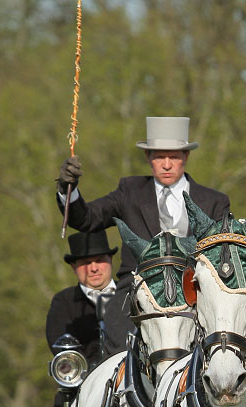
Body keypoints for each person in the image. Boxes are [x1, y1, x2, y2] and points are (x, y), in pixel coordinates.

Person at [56, 116, 230, 356]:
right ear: (148, 158)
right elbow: (86, 219)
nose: (167, 164)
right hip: (134, 296)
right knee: (116, 355)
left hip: (195, 296)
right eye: (159, 156)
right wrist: (69, 190)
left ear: (186, 157)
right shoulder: (129, 192)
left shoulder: (214, 202)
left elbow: (221, 260)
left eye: (174, 157)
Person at [46, 230, 118, 369]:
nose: (93, 268)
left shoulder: (132, 293)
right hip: (85, 381)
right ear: (74, 267)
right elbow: (63, 352)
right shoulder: (63, 302)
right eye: (86, 263)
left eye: (99, 260)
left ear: (111, 260)